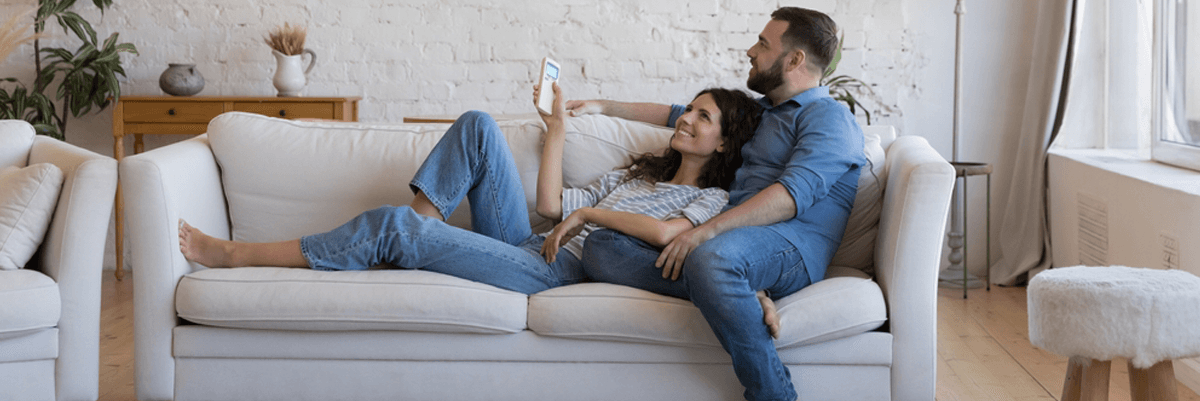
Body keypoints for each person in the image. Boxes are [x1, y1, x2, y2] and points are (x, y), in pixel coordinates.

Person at [177, 84, 762, 297]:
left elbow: (665, 235)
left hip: (561, 270)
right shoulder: (640, 174)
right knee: (479, 125)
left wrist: (595, 220)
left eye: (703, 118)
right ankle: (409, 239)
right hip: (533, 244)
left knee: (392, 228)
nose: (685, 120)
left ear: (723, 144)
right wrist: (556, 129)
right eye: (689, 112)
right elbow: (551, 208)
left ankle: (233, 254)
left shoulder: (710, 202)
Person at [566, 7, 866, 401]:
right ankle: (741, 294)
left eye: (763, 43)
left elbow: (792, 196)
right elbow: (676, 115)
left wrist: (705, 233)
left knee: (713, 259)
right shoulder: (764, 113)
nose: (750, 51)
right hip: (733, 242)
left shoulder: (829, 117)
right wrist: (603, 106)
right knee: (602, 245)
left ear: (794, 60)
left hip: (790, 245)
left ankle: (775, 394)